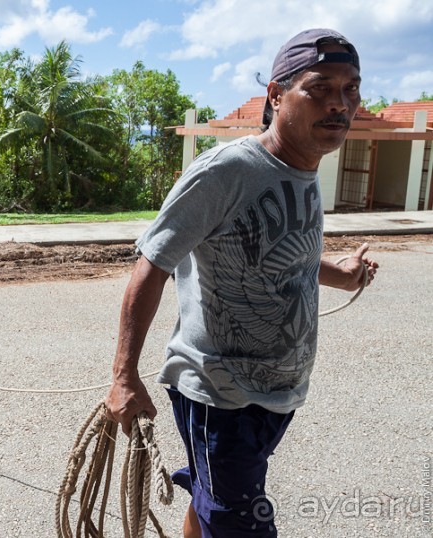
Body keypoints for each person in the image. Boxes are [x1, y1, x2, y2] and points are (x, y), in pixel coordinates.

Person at [104, 28, 379, 538]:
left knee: (217, 501)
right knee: (241, 524)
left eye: (350, 90)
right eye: (319, 88)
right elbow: (152, 263)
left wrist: (337, 273)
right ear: (276, 96)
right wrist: (123, 376)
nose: (339, 104)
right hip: (219, 396)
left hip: (278, 393)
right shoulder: (226, 171)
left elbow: (279, 251)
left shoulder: (305, 167)